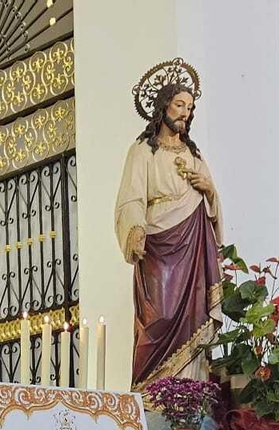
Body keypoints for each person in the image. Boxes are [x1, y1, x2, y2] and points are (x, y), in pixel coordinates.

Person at [115, 68, 221, 389]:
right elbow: (130, 197)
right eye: (179, 105)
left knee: (194, 317)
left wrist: (210, 190)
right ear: (164, 107)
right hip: (159, 248)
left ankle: (190, 391)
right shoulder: (144, 151)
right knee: (158, 318)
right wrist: (134, 229)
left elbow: (213, 208)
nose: (185, 114)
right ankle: (154, 394)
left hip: (193, 243)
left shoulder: (193, 154)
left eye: (189, 108)